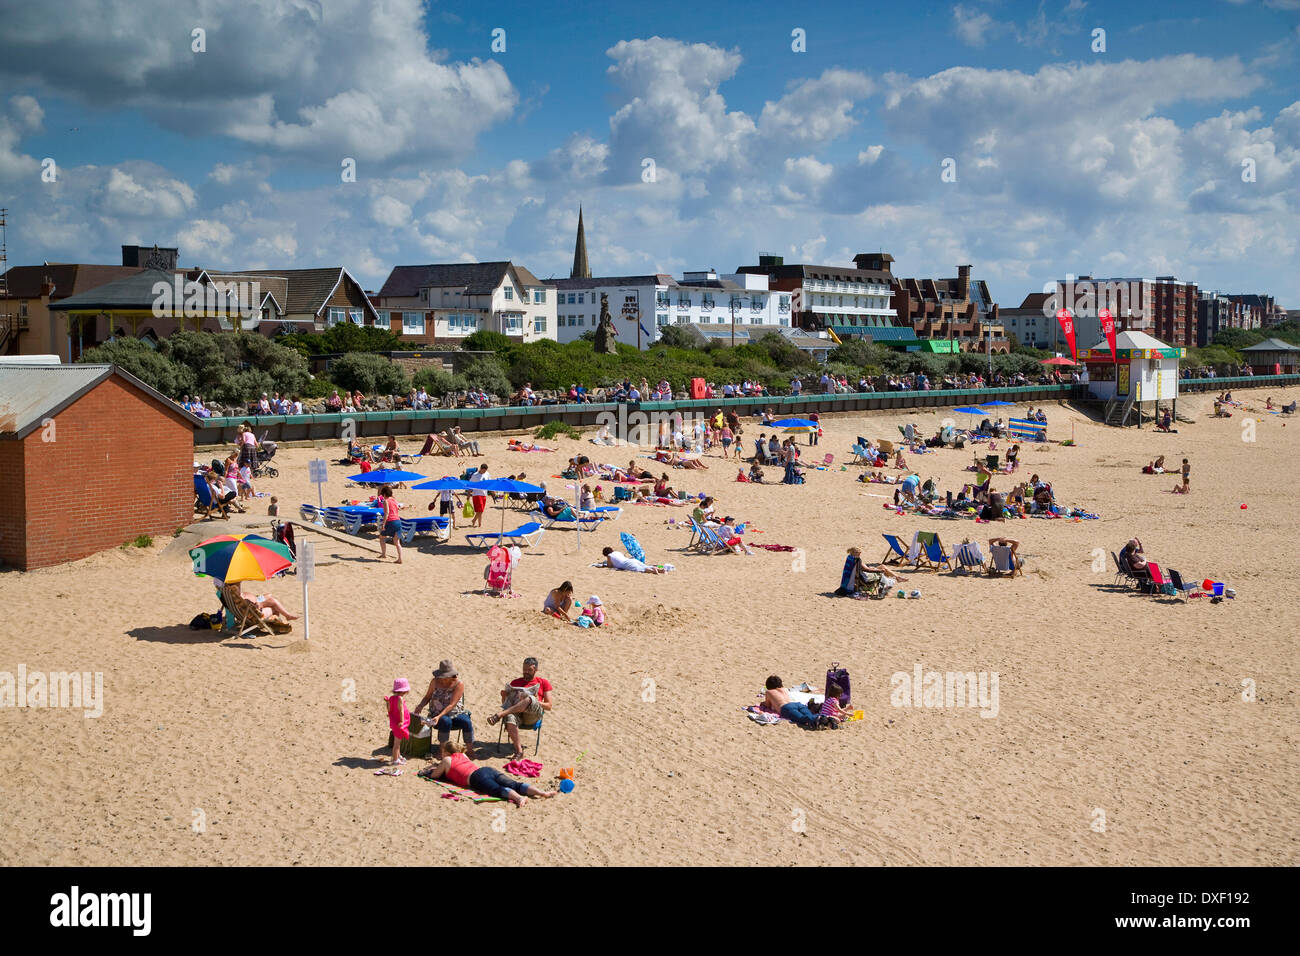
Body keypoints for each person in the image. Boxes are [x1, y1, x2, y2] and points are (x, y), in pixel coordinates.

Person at [418, 739, 555, 806]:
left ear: (446, 752)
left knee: (497, 790)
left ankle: (519, 798)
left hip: (476, 777)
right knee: (515, 784)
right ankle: (542, 793)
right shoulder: (463, 756)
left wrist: (430, 771)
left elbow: (435, 775)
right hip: (485, 769)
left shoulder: (447, 759)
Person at [489, 657, 555, 759]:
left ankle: (499, 715)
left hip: (532, 715)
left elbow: (549, 706)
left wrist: (535, 701)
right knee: (510, 717)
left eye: (529, 670)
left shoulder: (543, 682)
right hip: (517, 714)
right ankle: (519, 752)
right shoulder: (515, 682)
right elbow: (506, 704)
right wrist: (504, 696)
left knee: (530, 699)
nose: (526, 672)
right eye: (524, 669)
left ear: (536, 670)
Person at [411, 660, 475, 753]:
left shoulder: (459, 684)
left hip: (455, 712)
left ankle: (470, 750)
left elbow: (452, 704)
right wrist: (420, 706)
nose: (443, 678)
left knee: (466, 721)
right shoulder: (435, 682)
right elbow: (427, 696)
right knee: (446, 721)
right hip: (436, 713)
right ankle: (442, 751)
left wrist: (439, 716)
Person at [764, 676, 833, 730]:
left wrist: (762, 703)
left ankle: (823, 720)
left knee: (801, 719)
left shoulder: (769, 692)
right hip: (797, 704)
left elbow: (767, 705)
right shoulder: (784, 689)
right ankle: (826, 719)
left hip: (786, 707)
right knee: (810, 715)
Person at [385, 678, 411, 767]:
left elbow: (389, 710)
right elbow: (401, 710)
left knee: (398, 742)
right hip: (399, 723)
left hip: (395, 722)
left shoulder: (392, 698)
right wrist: (402, 721)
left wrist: (387, 703)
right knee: (397, 744)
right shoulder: (399, 698)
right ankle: (395, 759)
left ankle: (398, 756)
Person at [377, 484, 402, 564]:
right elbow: (397, 508)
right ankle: (400, 559)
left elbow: (386, 513)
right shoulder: (394, 500)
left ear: (384, 494)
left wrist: (383, 524)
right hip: (398, 521)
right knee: (397, 542)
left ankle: (384, 554)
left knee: (381, 537)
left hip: (391, 521)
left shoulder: (386, 501)